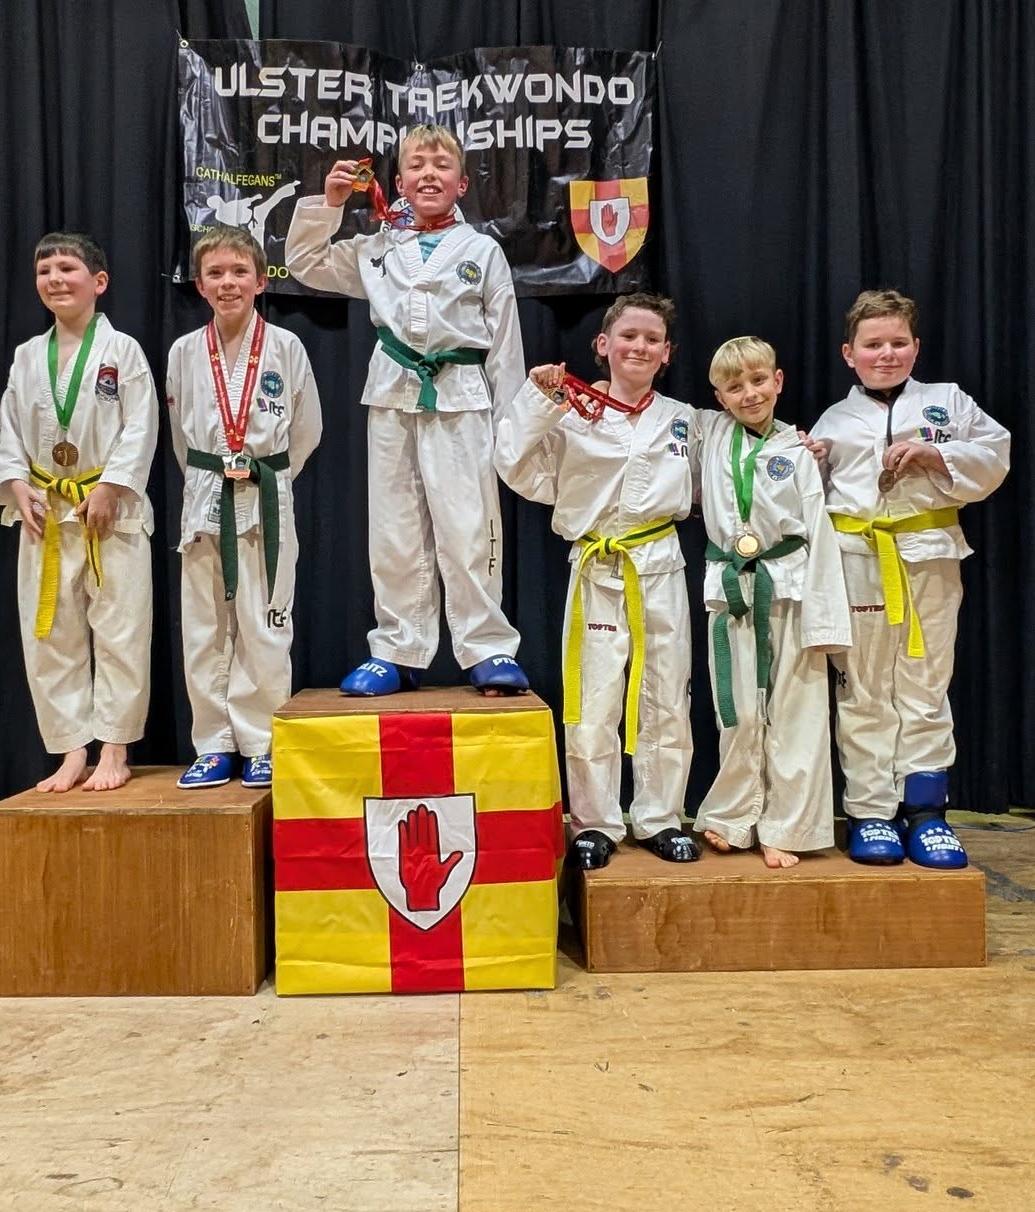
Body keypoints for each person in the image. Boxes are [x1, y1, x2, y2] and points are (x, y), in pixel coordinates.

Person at [284, 125, 528, 696]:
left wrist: (513, 427)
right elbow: (304, 261)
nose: (429, 174)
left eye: (442, 166)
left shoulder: (482, 251)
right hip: (392, 392)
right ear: (397, 181)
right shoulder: (378, 248)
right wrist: (331, 204)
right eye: (416, 165)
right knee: (394, 530)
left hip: (463, 396)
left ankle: (488, 648)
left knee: (469, 527)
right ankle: (396, 648)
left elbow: (507, 344)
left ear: (462, 183)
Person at [495, 293, 699, 870]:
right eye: (628, 336)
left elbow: (738, 466)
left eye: (652, 339)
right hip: (596, 566)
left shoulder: (686, 419)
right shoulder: (570, 414)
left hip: (659, 563)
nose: (640, 346)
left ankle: (660, 817)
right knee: (592, 698)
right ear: (602, 345)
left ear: (667, 353)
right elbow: (513, 463)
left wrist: (803, 449)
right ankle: (595, 822)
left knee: (667, 695)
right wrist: (538, 399)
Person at [811, 288, 1009, 867]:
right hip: (859, 561)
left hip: (931, 555)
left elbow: (996, 452)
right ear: (850, 353)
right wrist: (808, 458)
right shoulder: (836, 420)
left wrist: (935, 457)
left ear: (916, 347)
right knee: (865, 686)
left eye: (899, 343)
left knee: (926, 681)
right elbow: (811, 496)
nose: (887, 354)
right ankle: (871, 812)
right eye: (874, 345)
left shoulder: (948, 401)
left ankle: (925, 812)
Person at [0, 230, 157, 793]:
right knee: (50, 634)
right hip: (46, 511)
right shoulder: (26, 356)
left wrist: (113, 487)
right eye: (44, 271)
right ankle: (70, 749)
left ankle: (114, 746)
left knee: (121, 627)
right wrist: (16, 484)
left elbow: (141, 426)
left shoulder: (122, 351)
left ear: (98, 282)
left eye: (67, 268)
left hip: (108, 510)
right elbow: (9, 431)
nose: (55, 279)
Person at [167, 225, 322, 788]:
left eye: (238, 272)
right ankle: (213, 741)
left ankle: (261, 740)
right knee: (205, 625)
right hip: (206, 496)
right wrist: (216, 476)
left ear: (261, 280)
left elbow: (306, 431)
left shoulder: (285, 347)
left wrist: (264, 476)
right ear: (199, 285)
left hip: (265, 496)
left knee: (263, 622)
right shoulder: (185, 352)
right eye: (215, 273)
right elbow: (183, 440)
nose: (227, 283)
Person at [694, 338, 851, 869]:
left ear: (778, 381)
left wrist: (826, 621)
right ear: (718, 397)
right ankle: (734, 814)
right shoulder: (710, 432)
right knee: (734, 710)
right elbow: (650, 412)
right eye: (734, 387)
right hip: (732, 586)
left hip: (790, 587)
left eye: (759, 381)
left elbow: (819, 533)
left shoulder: (797, 452)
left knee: (797, 712)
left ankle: (788, 825)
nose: (749, 393)